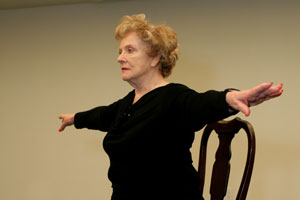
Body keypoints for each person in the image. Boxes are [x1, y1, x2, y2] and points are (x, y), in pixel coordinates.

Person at [58, 14, 283, 200]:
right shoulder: (128, 103)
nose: (120, 58)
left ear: (155, 58)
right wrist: (75, 118)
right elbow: (102, 115)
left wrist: (229, 98)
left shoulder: (174, 97)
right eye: (119, 52)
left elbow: (200, 104)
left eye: (130, 50)